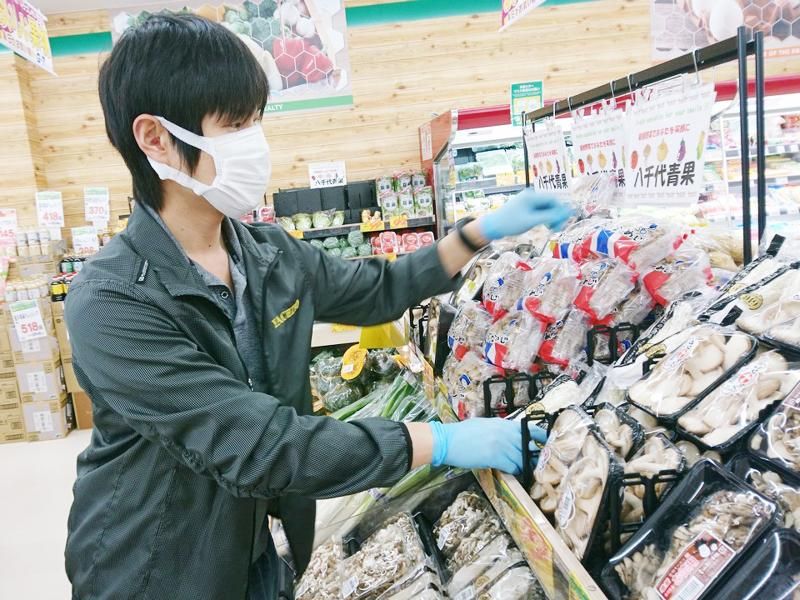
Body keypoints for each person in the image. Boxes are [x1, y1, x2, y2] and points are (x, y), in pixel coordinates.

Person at [64, 13, 572, 600]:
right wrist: (439, 441)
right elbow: (258, 444)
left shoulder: (267, 255)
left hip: (258, 547)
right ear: (156, 138)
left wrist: (478, 233)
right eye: (235, 124)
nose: (255, 143)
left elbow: (378, 290)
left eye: (256, 121)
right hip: (156, 567)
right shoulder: (112, 302)